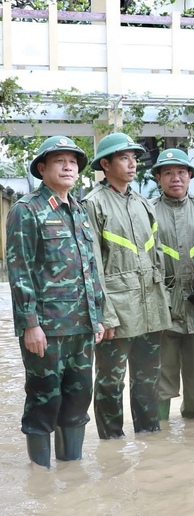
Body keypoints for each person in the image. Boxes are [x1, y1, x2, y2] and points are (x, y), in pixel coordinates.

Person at [6, 137, 105, 468]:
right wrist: (30, 324)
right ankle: (41, 477)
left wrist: (98, 317)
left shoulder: (79, 210)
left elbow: (89, 268)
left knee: (78, 401)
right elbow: (19, 272)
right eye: (59, 161)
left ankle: (70, 476)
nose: (68, 167)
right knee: (43, 400)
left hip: (82, 327)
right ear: (42, 168)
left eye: (73, 162)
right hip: (46, 330)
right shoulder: (27, 210)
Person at [82, 133, 172, 439]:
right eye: (124, 157)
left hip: (150, 308)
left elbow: (156, 254)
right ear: (105, 164)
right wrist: (103, 315)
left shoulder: (142, 203)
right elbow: (91, 264)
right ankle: (112, 443)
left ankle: (150, 438)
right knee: (110, 380)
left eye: (134, 157)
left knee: (149, 379)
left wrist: (163, 303)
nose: (133, 163)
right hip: (117, 312)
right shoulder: (93, 204)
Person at [151, 148, 194, 420]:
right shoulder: (147, 211)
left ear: (189, 177)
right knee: (160, 380)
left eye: (181, 172)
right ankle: (158, 436)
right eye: (169, 173)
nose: (176, 178)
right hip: (162, 309)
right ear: (159, 178)